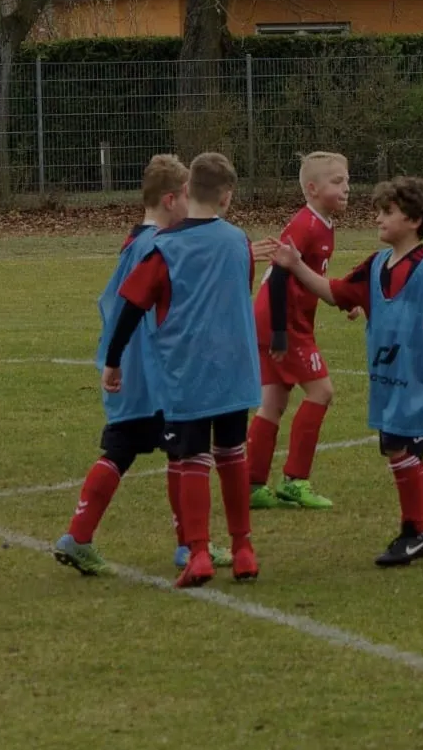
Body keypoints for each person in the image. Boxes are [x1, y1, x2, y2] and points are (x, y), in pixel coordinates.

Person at [262, 176, 423, 567]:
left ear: (414, 220)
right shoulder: (376, 266)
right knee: (403, 451)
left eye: (387, 212)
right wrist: (295, 265)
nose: (377, 218)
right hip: (387, 382)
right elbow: (334, 292)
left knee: (399, 448)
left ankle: (415, 532)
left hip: (417, 383)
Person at [53, 154, 231, 577]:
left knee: (123, 448)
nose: (192, 204)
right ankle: (189, 544)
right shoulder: (157, 246)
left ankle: (78, 536)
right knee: (183, 450)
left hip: (132, 369)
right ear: (171, 200)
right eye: (187, 196)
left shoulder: (136, 240)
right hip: (155, 372)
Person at [102, 152, 261, 588]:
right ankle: (244, 550)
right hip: (235, 369)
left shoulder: (165, 248)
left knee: (193, 459)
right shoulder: (240, 242)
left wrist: (113, 360)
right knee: (232, 454)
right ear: (227, 196)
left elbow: (131, 306)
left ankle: (199, 554)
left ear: (187, 191)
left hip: (187, 372)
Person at [248, 152, 358, 510]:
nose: (346, 188)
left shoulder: (323, 223)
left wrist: (344, 300)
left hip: (280, 319)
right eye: (337, 182)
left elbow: (308, 275)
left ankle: (252, 485)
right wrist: (280, 331)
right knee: (322, 392)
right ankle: (294, 480)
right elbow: (280, 275)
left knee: (273, 401)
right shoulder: (305, 225)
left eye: (347, 180)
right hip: (281, 320)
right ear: (312, 189)